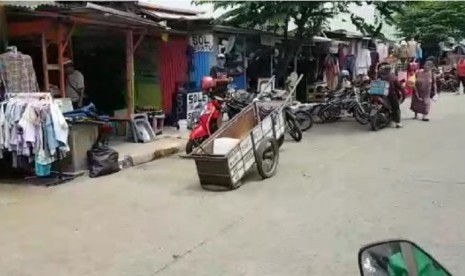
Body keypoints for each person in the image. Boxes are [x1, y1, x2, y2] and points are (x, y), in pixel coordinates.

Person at [377, 62, 406, 128]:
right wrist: (404, 95)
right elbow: (400, 87)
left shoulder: (379, 76)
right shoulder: (393, 77)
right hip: (391, 95)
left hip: (381, 94)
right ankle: (398, 122)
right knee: (396, 108)